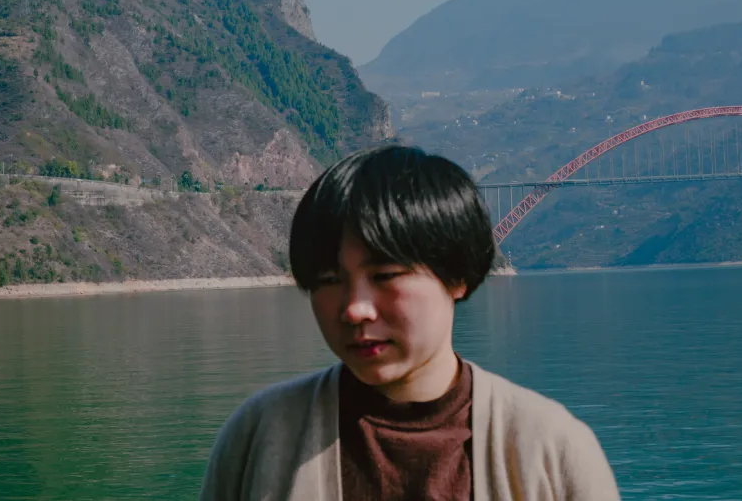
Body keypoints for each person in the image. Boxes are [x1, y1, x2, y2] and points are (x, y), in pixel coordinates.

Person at [199, 145, 619, 500]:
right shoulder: (260, 435)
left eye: (385, 276)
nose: (355, 309)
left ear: (456, 277)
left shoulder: (552, 449)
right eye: (328, 280)